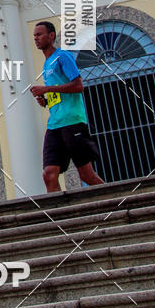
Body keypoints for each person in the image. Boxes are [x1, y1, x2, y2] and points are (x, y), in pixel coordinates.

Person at [30, 21, 104, 193]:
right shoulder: (47, 63)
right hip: (54, 124)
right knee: (49, 174)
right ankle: (58, 216)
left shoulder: (63, 56)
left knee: (86, 175)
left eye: (39, 34)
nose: (36, 38)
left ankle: (116, 201)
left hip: (72, 121)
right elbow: (60, 92)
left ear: (51, 36)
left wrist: (46, 88)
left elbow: (78, 86)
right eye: (34, 36)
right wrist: (46, 101)